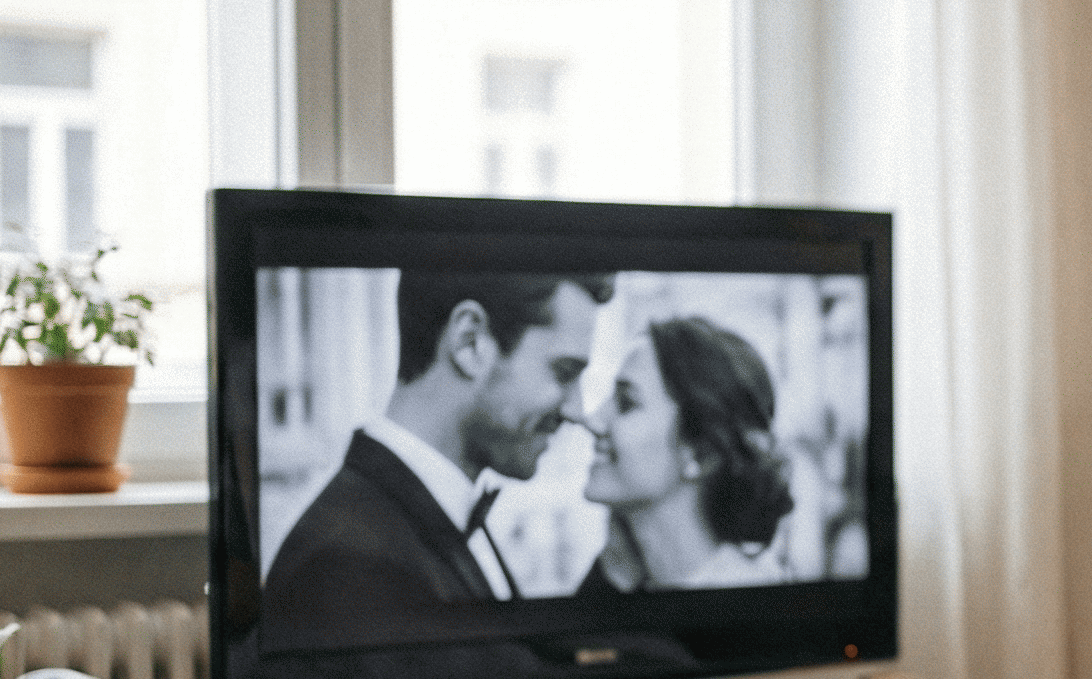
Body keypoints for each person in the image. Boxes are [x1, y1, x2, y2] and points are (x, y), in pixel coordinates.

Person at [266, 271, 610, 645]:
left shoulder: (413, 521)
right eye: (564, 372)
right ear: (469, 342)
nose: (578, 411)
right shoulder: (349, 567)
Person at [579, 317, 797, 593]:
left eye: (626, 403)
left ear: (701, 453)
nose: (593, 420)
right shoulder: (622, 578)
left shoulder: (748, 602)